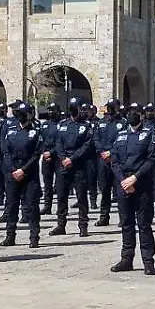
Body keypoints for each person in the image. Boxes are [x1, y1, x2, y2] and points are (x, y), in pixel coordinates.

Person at [110, 103, 155, 275]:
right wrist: (124, 181)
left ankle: (148, 261)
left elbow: (151, 160)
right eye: (129, 112)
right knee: (126, 223)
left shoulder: (149, 135)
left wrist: (134, 178)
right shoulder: (121, 135)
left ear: (142, 115)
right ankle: (126, 259)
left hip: (141, 183)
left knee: (144, 224)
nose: (132, 115)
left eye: (135, 113)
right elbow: (114, 161)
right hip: (123, 184)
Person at [0, 100, 44, 247]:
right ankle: (10, 236)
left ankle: (34, 237)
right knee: (12, 205)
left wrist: (23, 170)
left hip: (29, 173)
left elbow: (36, 154)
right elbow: (5, 152)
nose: (21, 116)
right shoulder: (10, 130)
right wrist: (13, 170)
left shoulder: (36, 132)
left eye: (23, 114)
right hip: (12, 173)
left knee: (32, 206)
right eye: (19, 114)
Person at [50, 97, 94, 237]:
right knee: (61, 196)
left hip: (79, 165)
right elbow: (58, 143)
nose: (82, 111)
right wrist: (63, 158)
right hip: (63, 165)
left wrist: (72, 159)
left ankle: (83, 225)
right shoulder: (63, 125)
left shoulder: (86, 126)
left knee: (81, 197)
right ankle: (61, 224)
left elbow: (86, 145)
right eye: (80, 108)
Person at [94, 99, 126, 228]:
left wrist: (111, 152)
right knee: (104, 189)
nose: (112, 109)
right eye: (110, 107)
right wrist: (102, 152)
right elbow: (96, 138)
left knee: (119, 190)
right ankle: (104, 216)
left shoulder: (123, 123)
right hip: (103, 160)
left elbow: (122, 140)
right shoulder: (101, 123)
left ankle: (123, 217)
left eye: (114, 107)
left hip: (117, 160)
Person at [39, 103, 60, 217]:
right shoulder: (45, 125)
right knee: (47, 183)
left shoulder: (61, 125)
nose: (51, 113)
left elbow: (61, 142)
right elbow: (41, 140)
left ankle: (61, 207)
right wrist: (44, 152)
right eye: (49, 110)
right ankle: (47, 206)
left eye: (53, 110)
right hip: (46, 158)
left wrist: (51, 152)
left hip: (57, 157)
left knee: (60, 184)